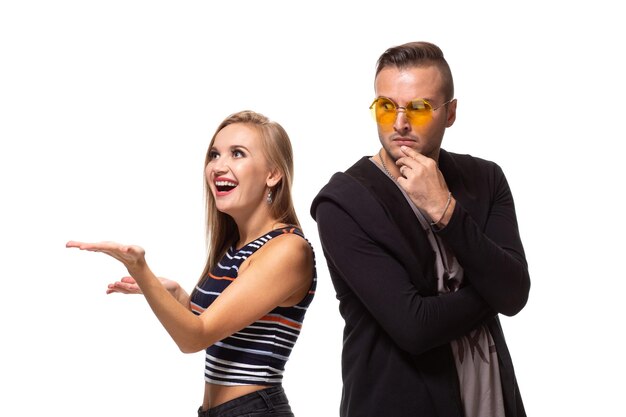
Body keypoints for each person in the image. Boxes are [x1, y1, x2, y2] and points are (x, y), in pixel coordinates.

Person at [310, 42, 530, 417]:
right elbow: (415, 327)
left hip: (493, 402)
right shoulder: (342, 203)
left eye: (419, 108)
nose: (399, 124)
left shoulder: (486, 179)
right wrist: (494, 287)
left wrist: (445, 211)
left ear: (451, 113)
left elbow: (515, 294)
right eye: (386, 107)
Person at [67, 110, 316, 417]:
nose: (218, 166)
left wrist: (140, 269)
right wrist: (177, 297)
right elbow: (218, 328)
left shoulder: (287, 249)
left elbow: (195, 337)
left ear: (273, 174)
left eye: (237, 154)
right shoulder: (238, 247)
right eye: (214, 154)